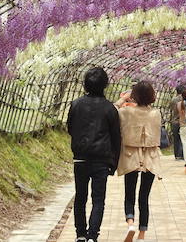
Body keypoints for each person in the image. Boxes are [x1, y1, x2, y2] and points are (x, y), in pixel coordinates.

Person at [67, 67, 121, 242]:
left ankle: (80, 235)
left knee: (80, 197)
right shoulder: (109, 108)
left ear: (85, 84)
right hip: (101, 160)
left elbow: (70, 129)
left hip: (81, 158)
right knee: (98, 199)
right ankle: (92, 236)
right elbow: (116, 137)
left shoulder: (75, 104)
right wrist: (114, 162)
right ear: (105, 85)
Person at [114, 81, 162, 242]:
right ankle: (142, 235)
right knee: (144, 197)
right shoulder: (156, 113)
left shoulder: (126, 112)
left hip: (130, 155)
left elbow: (111, 111)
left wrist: (124, 99)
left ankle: (130, 224)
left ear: (134, 95)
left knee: (129, 194)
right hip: (150, 157)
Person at [170, 84, 185, 160]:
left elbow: (171, 109)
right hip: (182, 121)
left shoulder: (173, 100)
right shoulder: (184, 99)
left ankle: (177, 155)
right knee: (183, 138)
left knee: (176, 139)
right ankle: (182, 154)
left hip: (174, 121)